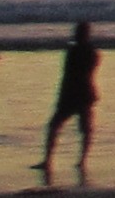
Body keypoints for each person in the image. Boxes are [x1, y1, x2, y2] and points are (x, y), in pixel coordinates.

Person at [33, 18, 98, 183]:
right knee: (81, 128)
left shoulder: (77, 52)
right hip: (82, 94)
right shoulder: (91, 52)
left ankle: (53, 160)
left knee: (59, 126)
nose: (75, 35)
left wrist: (61, 96)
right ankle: (78, 160)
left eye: (77, 32)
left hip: (74, 94)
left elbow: (69, 75)